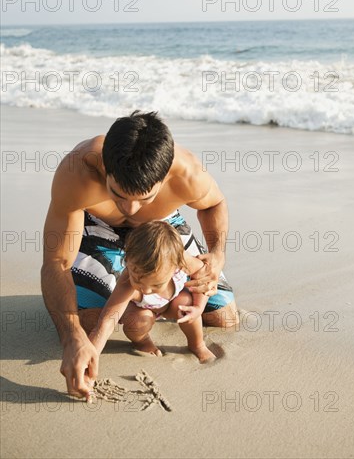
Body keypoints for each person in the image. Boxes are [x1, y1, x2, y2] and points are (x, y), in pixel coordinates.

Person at [41, 110, 238, 400]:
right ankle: (138, 306)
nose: (130, 210)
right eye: (117, 195)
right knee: (87, 325)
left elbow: (214, 204)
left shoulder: (187, 173)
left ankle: (151, 300)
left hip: (161, 229)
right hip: (100, 227)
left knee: (224, 318)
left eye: (144, 199)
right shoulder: (77, 172)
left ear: (165, 176)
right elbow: (57, 262)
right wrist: (72, 339)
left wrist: (217, 254)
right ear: (105, 169)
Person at [89, 220, 216, 364]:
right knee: (136, 322)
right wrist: (91, 355)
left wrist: (199, 307)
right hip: (141, 309)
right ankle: (142, 341)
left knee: (187, 305)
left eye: (156, 284)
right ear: (127, 260)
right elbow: (106, 323)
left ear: (177, 265)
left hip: (171, 303)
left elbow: (203, 277)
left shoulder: (183, 262)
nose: (146, 290)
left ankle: (197, 344)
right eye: (137, 280)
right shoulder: (126, 284)